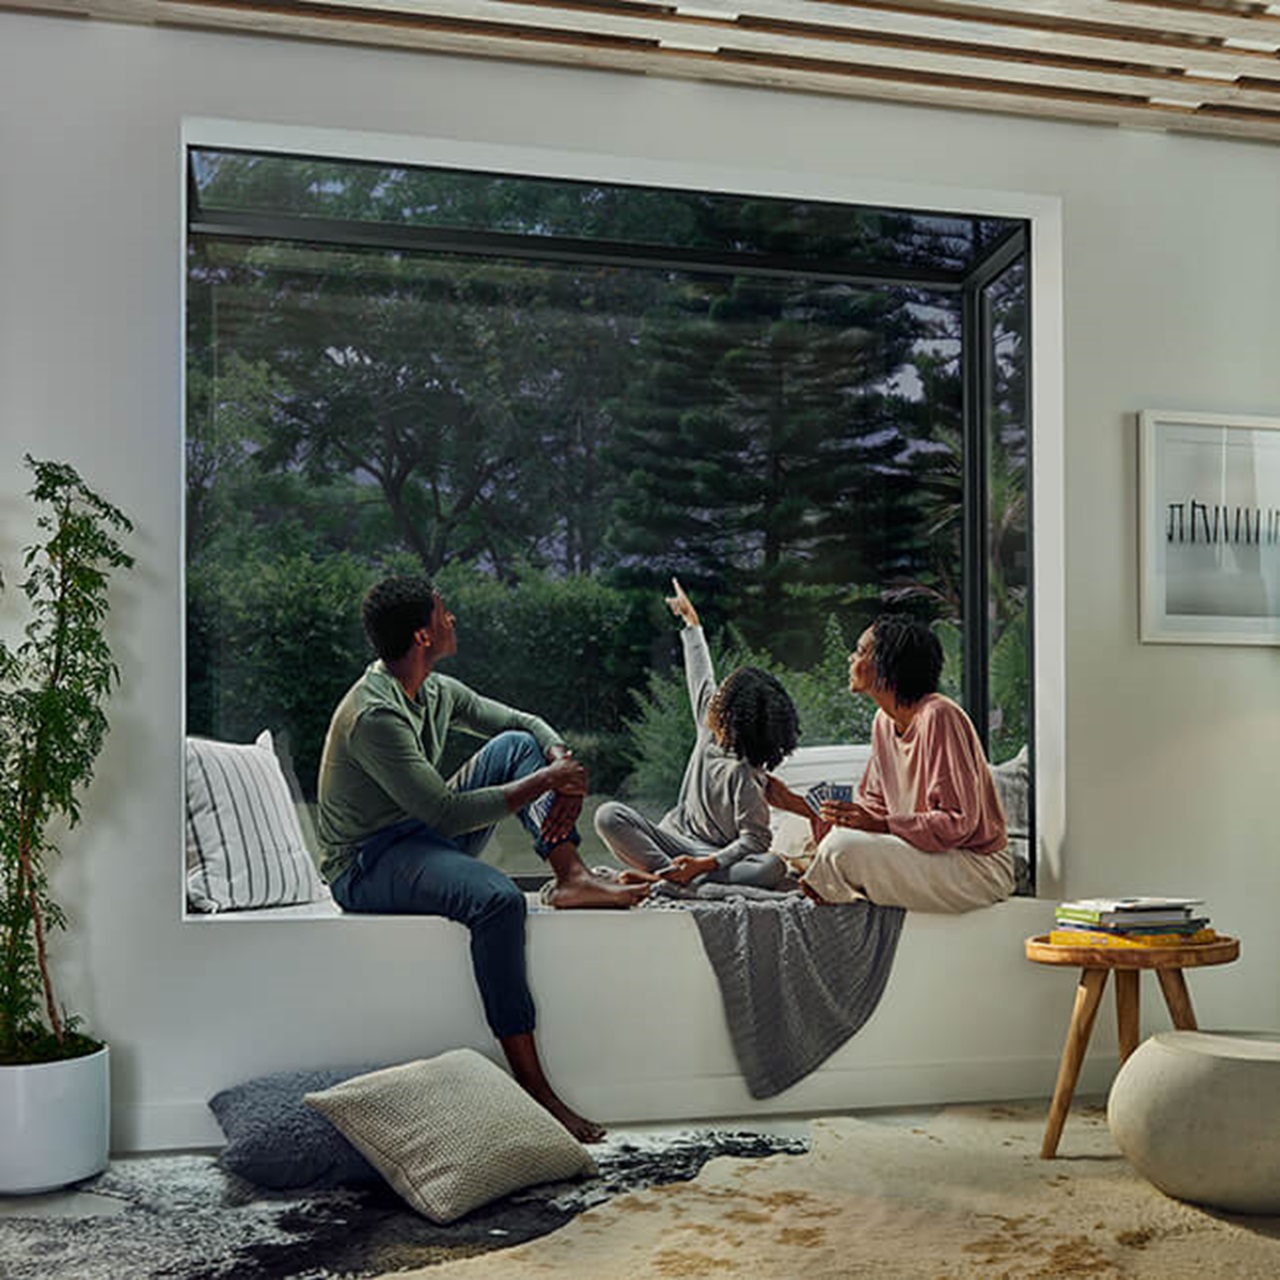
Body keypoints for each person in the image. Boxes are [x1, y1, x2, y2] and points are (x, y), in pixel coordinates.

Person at [316, 574, 646, 1142]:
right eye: (445, 614)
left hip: (415, 836)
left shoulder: (435, 691)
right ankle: (536, 1092)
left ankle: (570, 877)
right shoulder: (375, 716)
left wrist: (556, 760)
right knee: (496, 900)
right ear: (422, 635)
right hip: (367, 863)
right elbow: (446, 813)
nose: (453, 621)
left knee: (517, 747)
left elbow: (522, 725)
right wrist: (550, 779)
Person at [767, 613, 1013, 912]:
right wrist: (797, 804)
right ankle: (827, 878)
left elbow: (958, 823)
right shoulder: (883, 721)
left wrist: (879, 824)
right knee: (795, 828)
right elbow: (874, 807)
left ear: (888, 665)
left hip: (975, 867)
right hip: (924, 851)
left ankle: (825, 883)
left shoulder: (939, 716)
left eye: (860, 651)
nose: (850, 658)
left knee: (842, 849)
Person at [594, 578, 798, 891]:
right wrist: (692, 622)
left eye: (721, 697)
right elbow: (701, 674)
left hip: (710, 856)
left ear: (732, 715)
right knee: (608, 815)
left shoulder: (744, 772)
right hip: (674, 840)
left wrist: (705, 863)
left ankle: (667, 880)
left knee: (771, 867)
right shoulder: (707, 725)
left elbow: (755, 840)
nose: (713, 698)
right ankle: (673, 878)